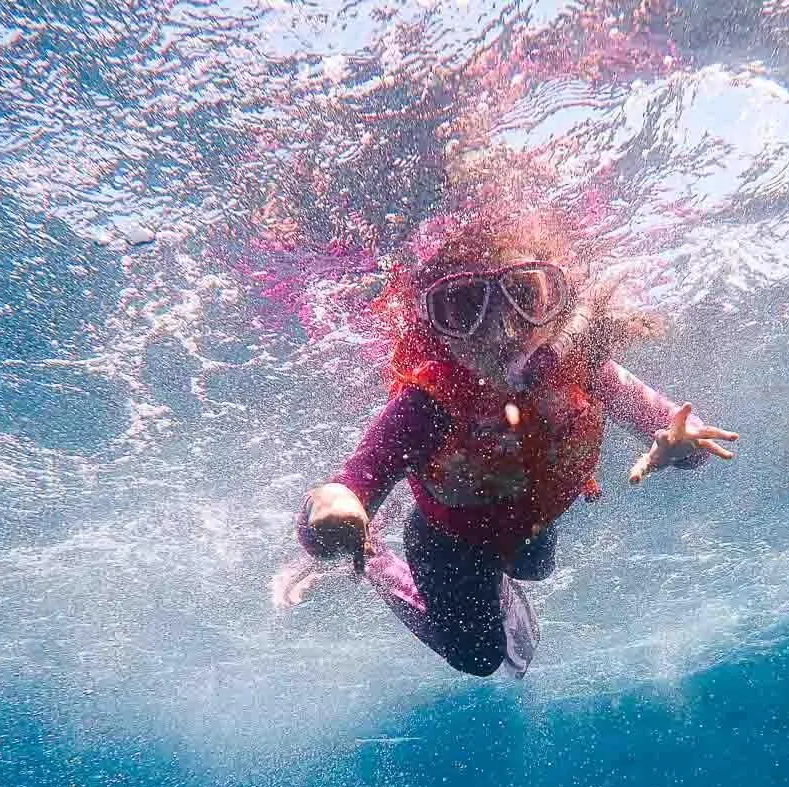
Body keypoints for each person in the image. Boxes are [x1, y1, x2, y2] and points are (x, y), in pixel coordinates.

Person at [286, 205, 739, 677]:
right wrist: (332, 517)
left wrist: (683, 447)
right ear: (432, 326)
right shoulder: (427, 405)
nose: (501, 328)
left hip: (529, 523)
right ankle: (378, 561)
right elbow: (349, 486)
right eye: (464, 306)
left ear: (555, 302)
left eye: (524, 295)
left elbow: (679, 429)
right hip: (447, 541)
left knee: (536, 567)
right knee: (477, 658)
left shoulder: (582, 368)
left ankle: (499, 580)